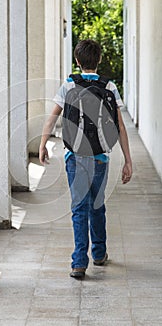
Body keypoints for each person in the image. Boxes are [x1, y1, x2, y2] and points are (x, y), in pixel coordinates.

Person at [39, 39, 133, 279]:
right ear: (99, 60)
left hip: (75, 156)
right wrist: (127, 160)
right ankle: (99, 253)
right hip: (100, 156)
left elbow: (52, 118)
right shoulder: (109, 86)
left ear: (77, 61)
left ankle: (79, 262)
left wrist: (42, 144)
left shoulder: (69, 85)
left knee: (79, 208)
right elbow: (121, 127)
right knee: (97, 205)